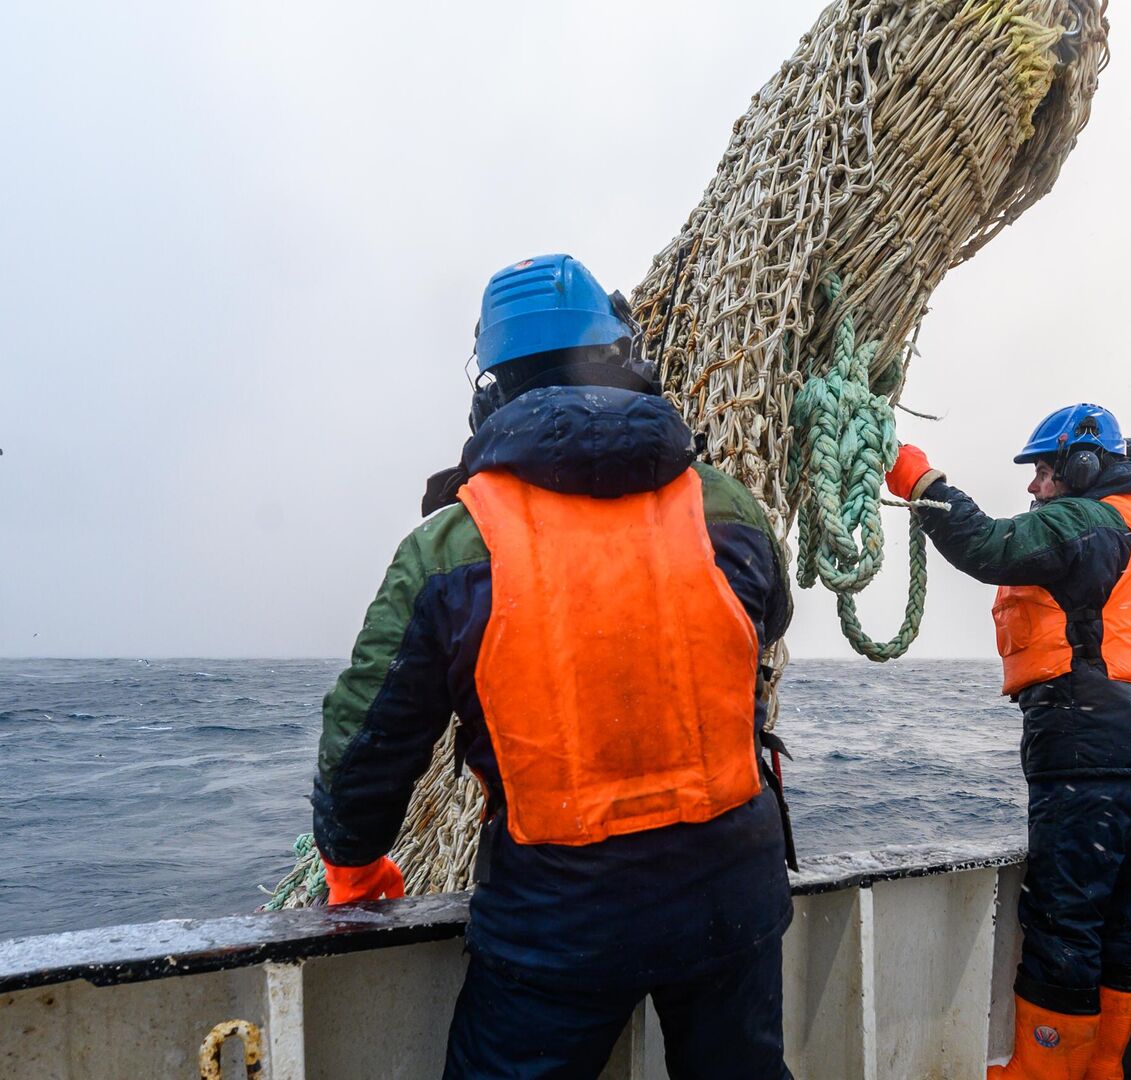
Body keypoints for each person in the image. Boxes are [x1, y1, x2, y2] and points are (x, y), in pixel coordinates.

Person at [311, 253, 797, 1080]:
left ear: (489, 392)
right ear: (627, 360)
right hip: (730, 903)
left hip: (559, 923)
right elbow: (771, 618)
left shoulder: (448, 549)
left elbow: (371, 738)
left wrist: (354, 866)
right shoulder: (725, 507)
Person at [885, 405, 1131, 1080]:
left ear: (1081, 466)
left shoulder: (1086, 519)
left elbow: (987, 545)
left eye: (1044, 471)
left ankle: (1044, 1072)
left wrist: (918, 480)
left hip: (1089, 738)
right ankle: (1103, 1065)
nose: (1035, 485)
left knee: (1064, 914)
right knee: (1115, 913)